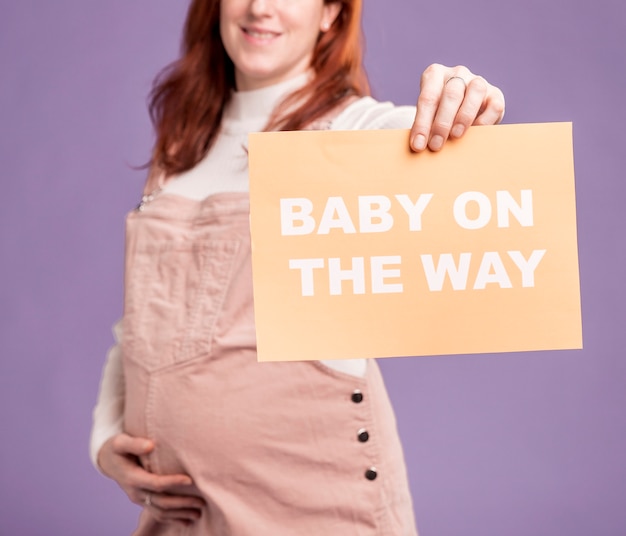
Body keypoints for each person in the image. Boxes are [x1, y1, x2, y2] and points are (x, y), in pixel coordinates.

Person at [91, 0, 505, 534]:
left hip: (314, 506)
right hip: (185, 514)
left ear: (331, 13)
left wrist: (465, 102)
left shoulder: (353, 131)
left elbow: (446, 144)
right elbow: (140, 328)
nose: (260, 8)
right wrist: (105, 438)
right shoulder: (181, 146)